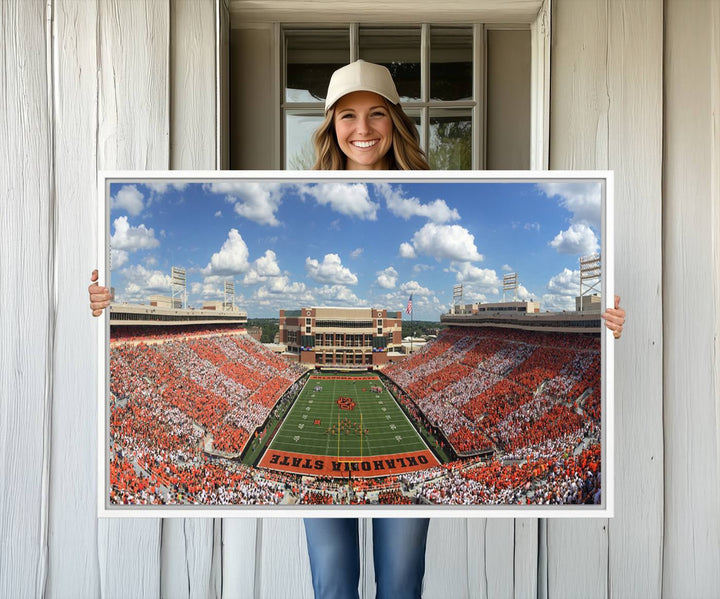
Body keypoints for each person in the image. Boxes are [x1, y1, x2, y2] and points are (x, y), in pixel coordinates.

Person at [88, 59, 626, 599]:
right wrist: (107, 304)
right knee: (333, 582)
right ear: (330, 126)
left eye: (375, 114)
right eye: (347, 116)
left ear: (395, 121)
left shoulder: (434, 195)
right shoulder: (300, 192)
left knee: (400, 583)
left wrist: (600, 322)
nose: (362, 129)